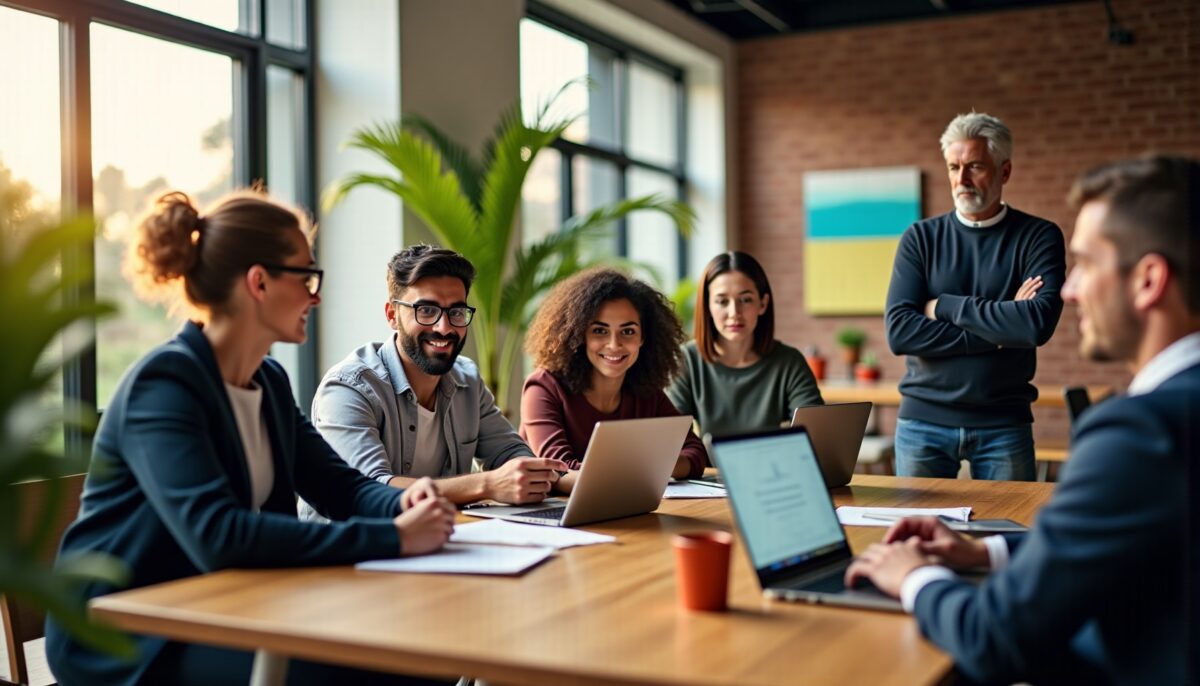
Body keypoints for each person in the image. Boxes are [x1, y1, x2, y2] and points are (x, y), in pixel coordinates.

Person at [45, 191, 457, 686]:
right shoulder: (166, 385)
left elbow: (340, 486)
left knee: (418, 654)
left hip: (221, 603)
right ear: (258, 282)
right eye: (306, 277)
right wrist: (393, 538)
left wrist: (403, 501)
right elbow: (219, 535)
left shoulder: (267, 381)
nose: (316, 296)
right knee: (379, 668)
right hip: (127, 634)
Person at [848, 155, 1199, 685]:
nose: (1069, 290)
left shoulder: (1139, 433)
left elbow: (995, 639)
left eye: (1085, 265)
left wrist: (914, 577)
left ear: (1148, 281)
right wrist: (983, 548)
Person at [305, 245, 567, 511]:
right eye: (426, 311)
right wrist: (486, 484)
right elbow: (370, 490)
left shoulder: (467, 380)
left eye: (456, 312)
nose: (444, 328)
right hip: (357, 548)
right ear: (392, 315)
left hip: (442, 537)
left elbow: (510, 454)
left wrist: (531, 473)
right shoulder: (349, 388)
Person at [885, 112, 1066, 480]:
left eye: (975, 166)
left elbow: (1034, 325)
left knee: (1006, 533)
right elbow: (900, 332)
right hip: (923, 421)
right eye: (954, 167)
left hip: (1003, 423)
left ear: (1005, 171)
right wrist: (1000, 330)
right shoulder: (920, 238)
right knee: (916, 534)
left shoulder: (1038, 236)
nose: (961, 180)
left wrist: (944, 306)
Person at [520, 268, 707, 490]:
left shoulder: (645, 392)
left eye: (627, 332)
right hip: (548, 516)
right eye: (600, 331)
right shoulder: (544, 387)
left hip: (622, 509)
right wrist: (647, 468)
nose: (614, 345)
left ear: (643, 338)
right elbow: (559, 469)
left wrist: (654, 466)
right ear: (580, 335)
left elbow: (695, 454)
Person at [667, 251, 822, 437]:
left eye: (746, 300)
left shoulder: (789, 362)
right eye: (722, 301)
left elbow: (817, 433)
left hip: (770, 466)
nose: (734, 312)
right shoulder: (687, 360)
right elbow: (672, 438)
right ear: (708, 306)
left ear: (763, 304)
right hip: (710, 467)